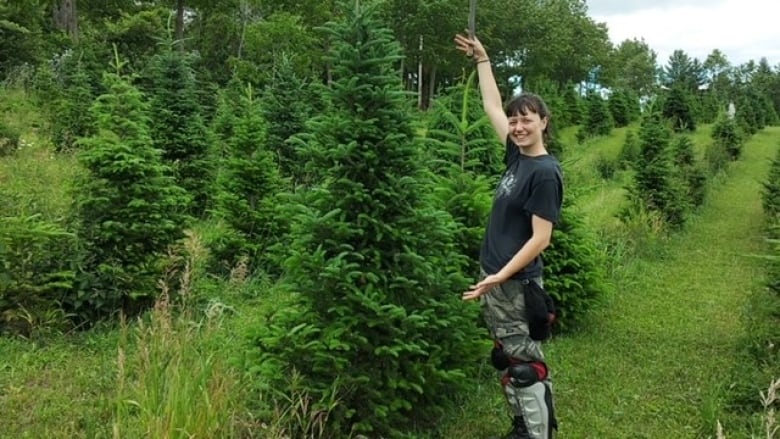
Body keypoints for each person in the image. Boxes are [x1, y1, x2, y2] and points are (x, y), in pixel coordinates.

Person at [454, 32, 563, 439]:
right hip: (496, 280)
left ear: (543, 123)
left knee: (524, 363)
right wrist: (483, 58)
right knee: (509, 357)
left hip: (515, 284)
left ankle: (537, 435)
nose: (517, 126)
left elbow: (540, 239)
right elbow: (491, 106)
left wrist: (500, 277)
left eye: (526, 119)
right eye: (515, 120)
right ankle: (523, 425)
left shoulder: (545, 173)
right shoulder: (517, 156)